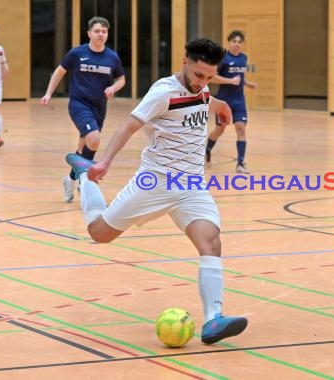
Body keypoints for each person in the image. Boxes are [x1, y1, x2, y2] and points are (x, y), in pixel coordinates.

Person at [64, 38, 248, 344]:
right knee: (100, 233)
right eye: (199, 74)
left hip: (190, 185)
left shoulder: (201, 87)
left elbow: (201, 98)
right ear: (185, 61)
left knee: (211, 242)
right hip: (155, 182)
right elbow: (129, 126)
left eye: (209, 77)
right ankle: (84, 175)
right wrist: (105, 161)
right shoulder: (163, 92)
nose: (203, 82)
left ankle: (214, 320)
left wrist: (219, 103)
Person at [40, 16, 125, 203]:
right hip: (79, 104)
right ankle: (85, 180)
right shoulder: (77, 53)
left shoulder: (112, 57)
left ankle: (70, 179)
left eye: (104, 31)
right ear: (89, 33)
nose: (101, 34)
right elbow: (60, 71)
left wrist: (113, 88)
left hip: (99, 107)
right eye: (97, 31)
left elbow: (121, 79)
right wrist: (48, 93)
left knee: (85, 146)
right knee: (94, 139)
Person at [205, 30, 257, 174]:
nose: (237, 44)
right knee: (220, 129)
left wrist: (247, 83)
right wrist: (230, 81)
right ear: (229, 42)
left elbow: (239, 76)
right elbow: (213, 77)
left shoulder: (243, 58)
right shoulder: (223, 59)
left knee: (241, 128)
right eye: (234, 41)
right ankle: (207, 148)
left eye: (239, 42)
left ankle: (240, 164)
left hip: (239, 101)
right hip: (224, 101)